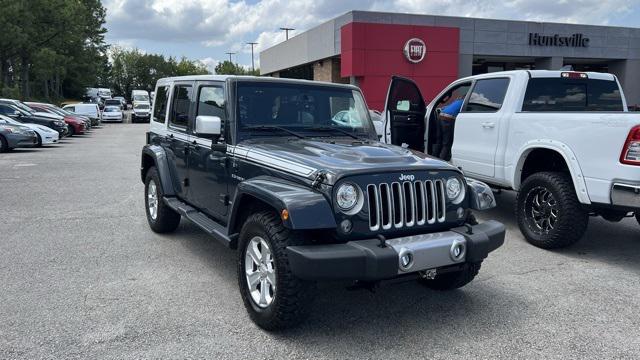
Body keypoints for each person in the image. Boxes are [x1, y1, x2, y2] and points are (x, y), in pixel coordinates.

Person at [436, 96, 464, 161]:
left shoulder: (457, 101)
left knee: (439, 141)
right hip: (448, 119)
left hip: (440, 116)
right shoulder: (465, 103)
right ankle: (441, 161)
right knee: (447, 143)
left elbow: (444, 108)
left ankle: (433, 158)